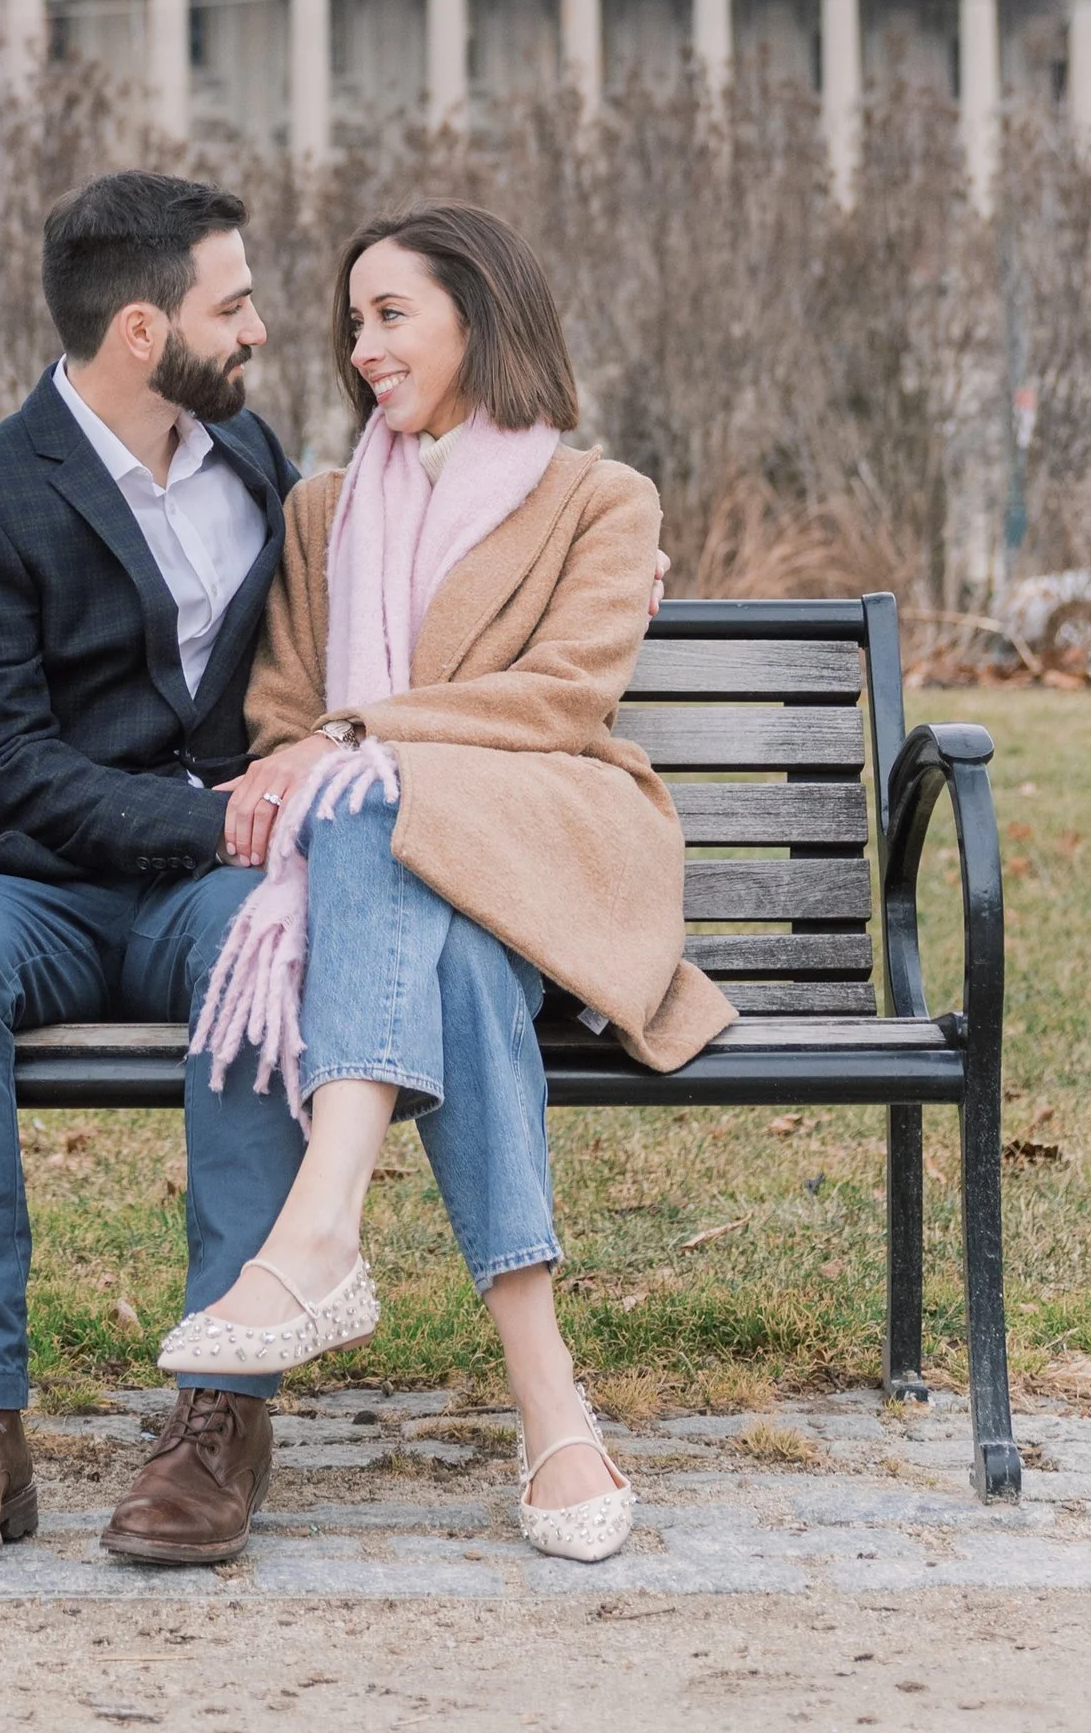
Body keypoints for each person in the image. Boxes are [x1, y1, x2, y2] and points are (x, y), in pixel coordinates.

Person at [168, 203, 732, 1562]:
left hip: (556, 846)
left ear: (478, 312)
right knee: (417, 892)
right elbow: (288, 712)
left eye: (390, 314)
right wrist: (350, 745)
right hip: (411, 890)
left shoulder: (602, 498)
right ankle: (551, 1406)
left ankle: (319, 1229)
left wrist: (372, 734)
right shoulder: (323, 508)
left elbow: (561, 697)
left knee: (368, 784)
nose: (361, 345)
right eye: (352, 320)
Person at [0, 168, 308, 1570]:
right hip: (36, 877)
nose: (256, 328)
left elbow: (382, 579)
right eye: (231, 303)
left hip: (206, 896)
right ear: (141, 327)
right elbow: (4, 767)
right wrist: (207, 820)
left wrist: (605, 548)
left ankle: (220, 1419)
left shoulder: (254, 460)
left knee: (268, 942)